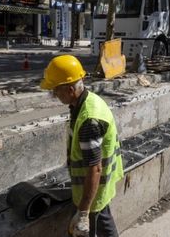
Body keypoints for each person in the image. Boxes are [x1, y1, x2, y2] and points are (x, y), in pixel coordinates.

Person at [40, 55, 123, 237]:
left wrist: (84, 211)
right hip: (96, 190)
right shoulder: (87, 100)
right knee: (103, 223)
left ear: (70, 90)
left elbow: (95, 169)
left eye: (56, 90)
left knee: (85, 228)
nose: (54, 95)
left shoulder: (88, 121)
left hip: (92, 192)